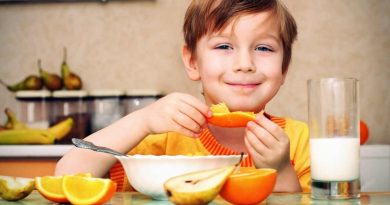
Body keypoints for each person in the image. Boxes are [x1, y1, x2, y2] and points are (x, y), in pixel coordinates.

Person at [56, 0, 310, 193]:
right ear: (192, 61)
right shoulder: (164, 140)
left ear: (284, 68)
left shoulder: (301, 141)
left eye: (263, 48)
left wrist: (281, 169)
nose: (245, 64)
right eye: (224, 46)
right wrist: (142, 121)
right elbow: (67, 177)